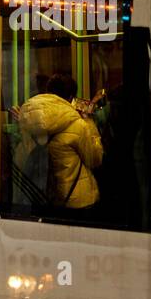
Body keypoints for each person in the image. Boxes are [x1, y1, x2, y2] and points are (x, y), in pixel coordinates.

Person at [16, 73, 104, 210]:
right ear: (70, 98)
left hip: (43, 196)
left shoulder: (30, 120)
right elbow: (95, 159)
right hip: (77, 199)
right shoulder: (77, 124)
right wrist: (88, 121)